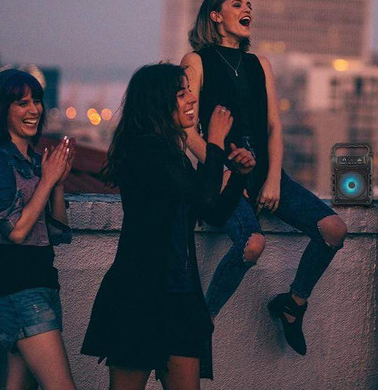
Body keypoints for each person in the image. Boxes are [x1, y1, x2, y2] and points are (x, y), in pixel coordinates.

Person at [182, 0, 347, 355]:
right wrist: (222, 172)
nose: (247, 11)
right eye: (237, 4)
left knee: (334, 229)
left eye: (249, 6)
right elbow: (186, 129)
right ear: (215, 15)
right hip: (220, 177)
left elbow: (274, 126)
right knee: (253, 243)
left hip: (266, 174)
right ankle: (201, 321)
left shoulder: (260, 64)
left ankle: (292, 306)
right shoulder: (195, 61)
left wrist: (273, 178)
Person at [81, 63, 255, 390]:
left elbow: (214, 213)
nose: (191, 98)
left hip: (180, 295)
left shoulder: (174, 155)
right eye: (181, 93)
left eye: (189, 90)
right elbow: (204, 197)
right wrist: (214, 142)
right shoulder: (144, 152)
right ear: (158, 102)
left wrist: (240, 177)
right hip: (139, 296)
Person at [0, 69, 76, 390]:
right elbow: (17, 233)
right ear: (1, 109)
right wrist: (47, 181)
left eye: (36, 101)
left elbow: (58, 233)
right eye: (22, 103)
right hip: (17, 287)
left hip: (43, 282)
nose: (34, 110)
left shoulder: (36, 161)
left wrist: (58, 185)